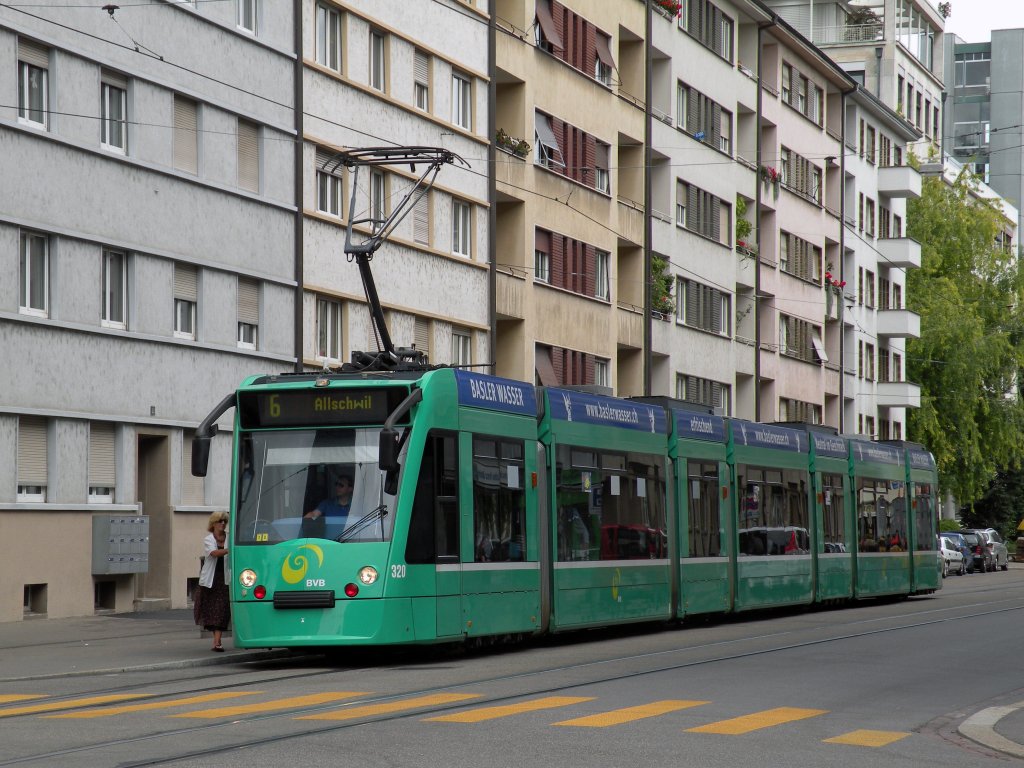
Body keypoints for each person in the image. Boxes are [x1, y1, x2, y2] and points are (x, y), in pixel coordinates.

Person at [194, 511, 230, 652]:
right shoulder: (209, 539)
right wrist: (230, 549)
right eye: (220, 521)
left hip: (225, 579)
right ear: (213, 523)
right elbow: (214, 553)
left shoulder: (229, 538)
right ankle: (217, 642)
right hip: (211, 580)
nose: (222, 524)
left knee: (222, 611)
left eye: (224, 522)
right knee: (213, 611)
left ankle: (217, 642)